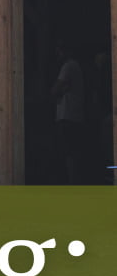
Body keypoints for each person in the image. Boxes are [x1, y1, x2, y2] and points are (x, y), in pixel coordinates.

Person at [51, 41, 86, 183]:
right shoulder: (76, 67)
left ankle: (71, 183)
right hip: (74, 115)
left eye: (59, 51)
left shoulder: (68, 66)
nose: (57, 55)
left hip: (68, 116)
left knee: (68, 152)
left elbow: (54, 90)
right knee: (72, 152)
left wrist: (57, 91)